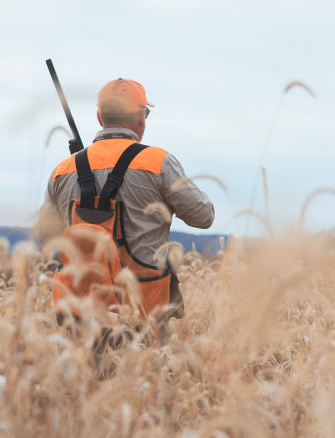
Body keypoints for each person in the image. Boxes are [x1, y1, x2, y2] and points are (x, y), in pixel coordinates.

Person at [38, 77, 214, 321]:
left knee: (82, 360)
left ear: (100, 117)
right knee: (148, 360)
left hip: (80, 310)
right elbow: (204, 217)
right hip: (145, 310)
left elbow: (46, 238)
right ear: (141, 117)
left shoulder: (63, 170)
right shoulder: (159, 163)